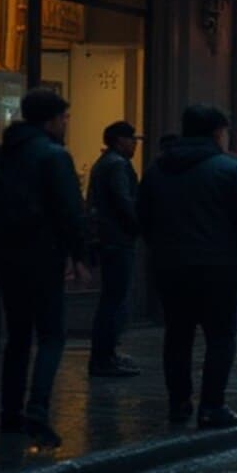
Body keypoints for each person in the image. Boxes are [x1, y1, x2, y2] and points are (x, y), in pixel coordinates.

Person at [139, 105, 237, 428]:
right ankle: (212, 405)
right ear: (217, 133)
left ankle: (178, 402)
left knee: (178, 335)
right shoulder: (231, 170)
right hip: (218, 266)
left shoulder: (157, 169)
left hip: (170, 266)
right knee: (220, 335)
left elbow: (143, 217)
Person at [0, 87, 88, 447]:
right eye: (65, 118)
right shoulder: (54, 156)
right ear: (52, 120)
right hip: (44, 257)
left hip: (7, 259)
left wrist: (3, 241)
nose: (66, 124)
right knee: (52, 334)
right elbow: (70, 212)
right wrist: (81, 255)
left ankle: (10, 414)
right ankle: (37, 407)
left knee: (18, 337)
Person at [86, 119, 143, 377]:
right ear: (121, 140)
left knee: (112, 298)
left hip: (110, 238)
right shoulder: (117, 165)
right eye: (133, 139)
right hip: (118, 239)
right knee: (114, 299)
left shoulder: (105, 163)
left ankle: (106, 354)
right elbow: (124, 201)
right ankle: (104, 357)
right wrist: (138, 225)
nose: (135, 145)